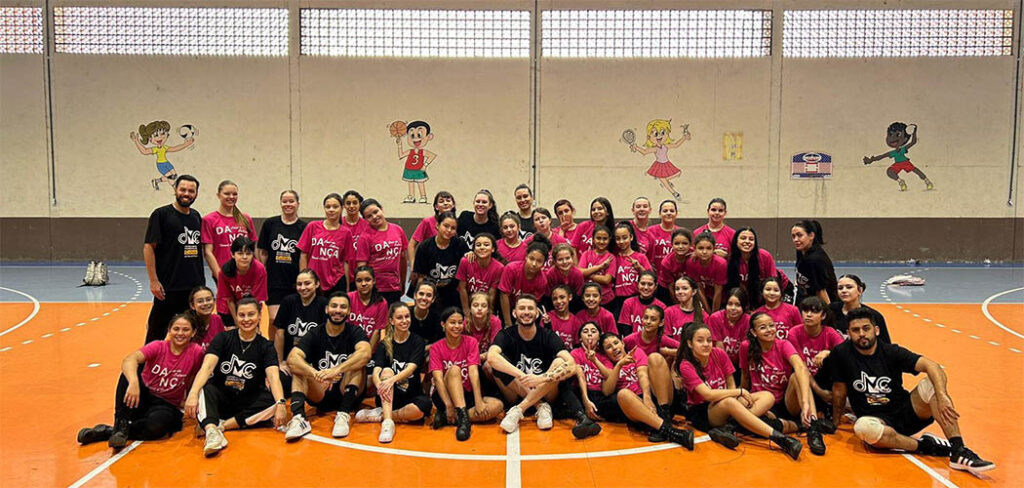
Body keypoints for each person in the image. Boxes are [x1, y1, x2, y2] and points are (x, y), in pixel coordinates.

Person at [830, 308, 994, 474]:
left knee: (932, 384)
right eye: (856, 330)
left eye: (866, 328)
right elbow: (839, 391)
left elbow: (932, 366)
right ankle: (927, 446)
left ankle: (958, 450)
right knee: (863, 428)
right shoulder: (841, 354)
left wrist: (942, 396)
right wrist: (835, 422)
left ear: (876, 330)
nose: (862, 334)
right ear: (848, 333)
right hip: (877, 421)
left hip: (905, 412)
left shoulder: (891, 352)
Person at [675, 321, 803, 459]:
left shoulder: (718, 353)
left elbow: (730, 384)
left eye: (709, 340)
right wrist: (740, 392)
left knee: (767, 396)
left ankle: (732, 427)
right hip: (703, 411)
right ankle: (780, 439)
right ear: (689, 344)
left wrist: (738, 399)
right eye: (700, 341)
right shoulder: (686, 365)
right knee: (730, 402)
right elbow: (708, 395)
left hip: (727, 401)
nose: (706, 344)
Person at [77, 314, 205, 449]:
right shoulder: (158, 346)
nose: (180, 333)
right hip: (141, 396)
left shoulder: (196, 352)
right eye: (176, 329)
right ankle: (121, 423)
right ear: (169, 330)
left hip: (167, 404)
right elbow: (130, 359)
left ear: (193, 332)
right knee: (128, 374)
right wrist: (133, 383)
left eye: (185, 330)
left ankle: (107, 432)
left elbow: (197, 375)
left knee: (156, 427)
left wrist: (191, 396)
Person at [184, 297, 287, 457]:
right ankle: (212, 433)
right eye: (242, 315)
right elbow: (207, 367)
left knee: (274, 400)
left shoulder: (266, 346)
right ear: (236, 316)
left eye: (251, 315)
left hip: (247, 402)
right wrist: (192, 394)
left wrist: (280, 403)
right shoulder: (223, 339)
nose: (246, 320)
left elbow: (273, 377)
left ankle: (220, 426)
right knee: (205, 387)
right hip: (222, 399)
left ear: (260, 316)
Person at [488, 294, 601, 439]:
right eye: (522, 308)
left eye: (530, 309)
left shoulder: (548, 335)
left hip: (546, 390)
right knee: (495, 363)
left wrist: (540, 378)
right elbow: (491, 357)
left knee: (560, 362)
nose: (527, 312)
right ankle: (539, 406)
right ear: (514, 313)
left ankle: (519, 409)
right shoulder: (506, 334)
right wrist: (521, 375)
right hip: (517, 389)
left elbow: (571, 365)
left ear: (537, 313)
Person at [282, 293, 371, 441]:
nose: (338, 310)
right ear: (326, 309)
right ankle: (299, 418)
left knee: (356, 360)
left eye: (343, 307)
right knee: (299, 367)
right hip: (321, 392)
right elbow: (292, 358)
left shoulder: (355, 331)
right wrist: (315, 373)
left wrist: (336, 370)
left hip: (347, 390)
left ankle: (343, 414)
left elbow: (366, 353)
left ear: (349, 311)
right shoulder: (316, 332)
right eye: (334, 306)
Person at [739, 313, 819, 454]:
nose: (769, 330)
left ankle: (813, 428)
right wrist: (742, 400)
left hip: (785, 402)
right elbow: (745, 376)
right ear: (753, 332)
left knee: (797, 376)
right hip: (761, 401)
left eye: (771, 325)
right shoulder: (746, 347)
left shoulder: (783, 344)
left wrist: (805, 403)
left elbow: (801, 367)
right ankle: (797, 425)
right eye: (763, 327)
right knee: (754, 424)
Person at [600, 333, 693, 449]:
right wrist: (619, 365)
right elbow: (607, 391)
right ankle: (669, 430)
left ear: (622, 343)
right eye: (608, 347)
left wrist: (647, 397)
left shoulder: (636, 352)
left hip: (656, 397)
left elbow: (642, 374)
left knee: (655, 357)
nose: (614, 348)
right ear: (605, 353)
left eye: (616, 343)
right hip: (639, 408)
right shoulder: (608, 366)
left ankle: (665, 418)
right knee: (622, 394)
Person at [355, 303, 431, 443]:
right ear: (391, 321)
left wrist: (391, 380)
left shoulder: (417, 341)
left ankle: (381, 415)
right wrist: (380, 384)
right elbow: (377, 369)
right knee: (386, 371)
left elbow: (411, 369)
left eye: (407, 316)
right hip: (388, 395)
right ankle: (388, 423)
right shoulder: (385, 343)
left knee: (423, 408)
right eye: (399, 317)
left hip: (411, 396)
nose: (404, 321)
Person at [144, 174, 205, 344]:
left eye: (191, 191)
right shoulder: (161, 215)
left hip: (193, 288)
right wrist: (153, 281)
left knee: (191, 335)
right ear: (175, 190)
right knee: (156, 333)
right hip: (168, 287)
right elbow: (149, 247)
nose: (186, 194)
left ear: (196, 194)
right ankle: (144, 369)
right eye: (183, 189)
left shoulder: (196, 217)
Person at [430, 307, 504, 440]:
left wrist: (478, 400)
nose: (457, 326)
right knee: (454, 370)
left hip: (466, 394)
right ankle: (464, 422)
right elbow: (438, 378)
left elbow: (473, 371)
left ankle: (452, 417)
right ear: (443, 324)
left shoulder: (471, 342)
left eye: (460, 322)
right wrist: (447, 404)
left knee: (498, 406)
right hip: (445, 395)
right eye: (452, 322)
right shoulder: (436, 347)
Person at [257, 190, 307, 330]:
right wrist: (262, 273)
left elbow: (305, 255)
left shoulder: (304, 228)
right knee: (274, 320)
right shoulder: (270, 224)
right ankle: (272, 350)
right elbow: (263, 251)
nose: (288, 204)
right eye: (284, 201)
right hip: (274, 281)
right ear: (280, 203)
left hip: (294, 282)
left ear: (298, 204)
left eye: (291, 201)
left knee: (292, 320)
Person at [788, 297, 843, 421]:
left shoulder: (830, 333)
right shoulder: (794, 333)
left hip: (824, 383)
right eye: (805, 311)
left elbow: (845, 354)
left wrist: (828, 352)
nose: (808, 315)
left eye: (814, 312)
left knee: (834, 359)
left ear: (823, 316)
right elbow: (801, 368)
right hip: (804, 387)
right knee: (797, 375)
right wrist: (819, 392)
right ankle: (813, 421)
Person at [274, 269, 328, 382]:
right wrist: (280, 362)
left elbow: (326, 339)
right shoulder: (288, 301)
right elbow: (279, 333)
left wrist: (317, 366)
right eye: (299, 284)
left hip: (313, 365)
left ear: (317, 284)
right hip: (289, 364)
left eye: (307, 283)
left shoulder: (324, 304)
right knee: (277, 382)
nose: (303, 288)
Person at [298, 193, 352, 295]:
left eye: (335, 207)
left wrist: (347, 286)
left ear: (342, 208)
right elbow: (303, 254)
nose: (331, 210)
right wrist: (303, 280)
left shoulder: (346, 232)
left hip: (336, 281)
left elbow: (346, 262)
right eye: (328, 207)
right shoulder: (312, 226)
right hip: (313, 281)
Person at [201, 180, 257, 280]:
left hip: (245, 273)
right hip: (223, 273)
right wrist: (220, 276)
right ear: (218, 195)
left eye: (234, 194)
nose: (231, 197)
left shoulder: (245, 219)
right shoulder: (209, 220)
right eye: (226, 194)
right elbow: (208, 252)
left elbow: (253, 248)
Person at [357, 199, 408, 304]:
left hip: (394, 287)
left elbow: (402, 258)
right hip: (375, 289)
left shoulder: (398, 230)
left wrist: (402, 282)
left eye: (376, 212)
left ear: (382, 209)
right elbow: (361, 267)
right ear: (365, 219)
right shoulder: (364, 237)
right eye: (369, 216)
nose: (374, 217)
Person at [498, 235, 551, 327]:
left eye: (539, 261)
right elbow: (504, 295)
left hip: (524, 310)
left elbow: (532, 303)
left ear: (544, 263)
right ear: (526, 256)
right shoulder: (511, 269)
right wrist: (508, 323)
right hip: (506, 308)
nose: (534, 264)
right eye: (531, 259)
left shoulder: (542, 280)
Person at [215, 237, 268, 326]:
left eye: (248, 254)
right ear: (232, 254)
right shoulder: (224, 272)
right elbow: (229, 299)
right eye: (240, 253)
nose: (244, 257)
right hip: (228, 309)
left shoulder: (260, 269)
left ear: (253, 254)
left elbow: (256, 300)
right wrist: (237, 322)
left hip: (251, 306)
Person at [725, 227, 779, 309]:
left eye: (751, 239)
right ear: (736, 241)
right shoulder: (729, 259)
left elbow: (774, 284)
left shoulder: (764, 256)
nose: (747, 241)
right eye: (743, 238)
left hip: (765, 294)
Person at [831, 274, 891, 343]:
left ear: (860, 290)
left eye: (849, 287)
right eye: (840, 288)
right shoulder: (831, 310)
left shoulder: (874, 316)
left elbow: (885, 344)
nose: (844, 291)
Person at [610, 222, 652, 318]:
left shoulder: (640, 257)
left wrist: (639, 268)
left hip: (637, 297)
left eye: (624, 238)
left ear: (631, 237)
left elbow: (650, 277)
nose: (621, 241)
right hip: (619, 300)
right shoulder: (613, 258)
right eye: (618, 238)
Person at [792, 219, 838, 304]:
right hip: (804, 299)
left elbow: (821, 292)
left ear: (811, 235)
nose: (795, 239)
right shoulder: (801, 251)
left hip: (816, 305)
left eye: (799, 235)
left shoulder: (814, 260)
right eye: (793, 236)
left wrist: (829, 313)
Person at [457, 233, 504, 314]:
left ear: (493, 249)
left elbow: (492, 294)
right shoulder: (465, 261)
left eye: (486, 245)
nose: (482, 247)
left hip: (485, 305)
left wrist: (487, 313)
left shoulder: (499, 267)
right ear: (474, 249)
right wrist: (466, 311)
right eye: (478, 245)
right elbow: (462, 288)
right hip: (466, 303)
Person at [409, 191, 456, 272]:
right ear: (436, 207)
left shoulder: (456, 222)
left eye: (448, 201)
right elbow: (411, 245)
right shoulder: (427, 222)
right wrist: (413, 267)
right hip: (429, 266)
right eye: (441, 201)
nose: (445, 203)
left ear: (453, 204)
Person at [707, 288, 751, 373]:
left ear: (744, 307)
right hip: (720, 363)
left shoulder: (748, 321)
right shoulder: (715, 318)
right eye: (730, 304)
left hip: (740, 364)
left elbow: (745, 351)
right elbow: (719, 349)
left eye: (738, 305)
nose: (733, 308)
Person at [348, 266, 389, 349]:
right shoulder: (348, 298)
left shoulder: (382, 303)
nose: (363, 284)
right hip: (348, 347)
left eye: (367, 280)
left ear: (374, 281)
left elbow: (377, 331)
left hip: (370, 349)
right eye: (359, 280)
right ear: (355, 282)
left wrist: (367, 353)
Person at [685, 232, 727, 311]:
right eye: (700, 248)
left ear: (714, 249)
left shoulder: (721, 264)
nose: (704, 252)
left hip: (722, 298)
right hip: (706, 295)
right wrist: (707, 311)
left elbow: (718, 292)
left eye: (708, 248)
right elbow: (699, 288)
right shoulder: (691, 263)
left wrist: (714, 314)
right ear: (694, 249)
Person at [753, 277, 802, 341]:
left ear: (781, 292)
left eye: (776, 290)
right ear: (762, 292)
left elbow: (801, 332)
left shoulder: (793, 310)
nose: (772, 293)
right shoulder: (756, 314)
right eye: (768, 289)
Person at [617, 271, 665, 336]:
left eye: (650, 284)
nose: (646, 288)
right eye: (642, 283)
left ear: (656, 286)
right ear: (637, 284)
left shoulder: (662, 306)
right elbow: (625, 329)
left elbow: (661, 331)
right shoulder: (628, 303)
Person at [578, 225, 616, 308]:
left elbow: (606, 280)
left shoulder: (611, 257)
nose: (601, 242)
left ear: (609, 240)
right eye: (598, 238)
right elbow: (580, 273)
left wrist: (588, 274)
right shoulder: (586, 254)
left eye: (605, 239)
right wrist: (600, 267)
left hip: (605, 299)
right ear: (593, 240)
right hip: (587, 298)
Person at [656, 228, 693, 305]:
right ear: (671, 245)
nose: (680, 246)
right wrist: (678, 305)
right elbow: (671, 287)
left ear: (690, 244)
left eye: (685, 243)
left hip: (689, 287)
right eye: (677, 243)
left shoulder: (695, 256)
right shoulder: (666, 263)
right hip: (667, 289)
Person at [664, 276, 707, 340]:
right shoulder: (669, 312)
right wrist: (682, 348)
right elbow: (665, 341)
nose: (680, 292)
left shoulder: (704, 316)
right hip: (675, 349)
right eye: (677, 289)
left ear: (694, 291)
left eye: (684, 288)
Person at [340, 190, 369, 283]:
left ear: (360, 204)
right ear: (343, 206)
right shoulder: (338, 224)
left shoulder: (367, 225)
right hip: (342, 273)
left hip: (362, 275)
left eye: (355, 203)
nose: (351, 206)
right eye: (348, 203)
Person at [646, 200, 678, 277]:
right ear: (660, 214)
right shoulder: (649, 231)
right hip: (654, 276)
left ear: (676, 214)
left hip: (675, 275)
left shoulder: (681, 232)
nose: (668, 213)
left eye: (672, 211)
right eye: (665, 211)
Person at [187, 285, 222, 351]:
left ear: (214, 301)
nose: (205, 303)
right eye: (200, 301)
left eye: (208, 299)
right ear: (192, 305)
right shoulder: (186, 323)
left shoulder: (217, 319)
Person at [409, 281, 442, 348]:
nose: (424, 298)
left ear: (433, 299)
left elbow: (440, 342)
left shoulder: (438, 318)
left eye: (429, 295)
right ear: (415, 295)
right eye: (421, 294)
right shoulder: (405, 314)